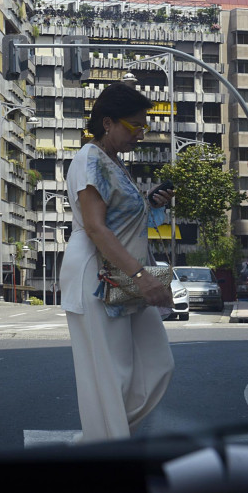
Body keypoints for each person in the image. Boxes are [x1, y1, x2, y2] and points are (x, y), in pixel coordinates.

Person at [59, 83, 175, 442]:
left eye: (145, 127)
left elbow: (120, 220)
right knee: (113, 374)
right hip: (98, 273)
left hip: (121, 273)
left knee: (157, 365)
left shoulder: (112, 163)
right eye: (134, 126)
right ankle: (106, 450)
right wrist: (142, 276)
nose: (140, 134)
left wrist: (151, 205)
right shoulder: (89, 159)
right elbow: (95, 227)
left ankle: (99, 441)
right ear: (107, 122)